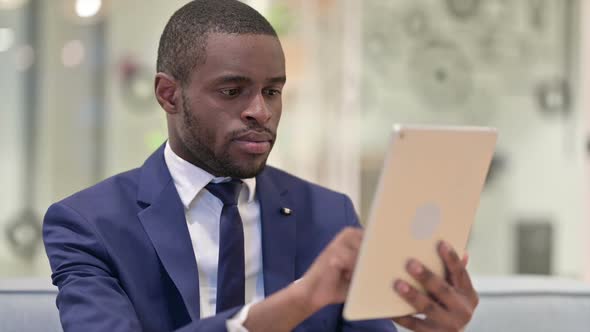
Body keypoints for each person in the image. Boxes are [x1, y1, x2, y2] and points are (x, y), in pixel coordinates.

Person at [43, 1, 479, 331]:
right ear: (168, 95)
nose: (261, 112)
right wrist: (295, 303)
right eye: (233, 91)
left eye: (272, 92)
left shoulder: (329, 215)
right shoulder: (89, 224)